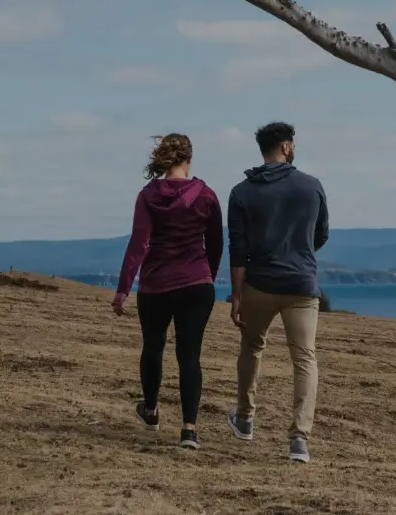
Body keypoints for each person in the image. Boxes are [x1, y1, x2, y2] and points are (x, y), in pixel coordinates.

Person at [224, 121, 328, 464]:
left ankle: (245, 418)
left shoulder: (241, 192)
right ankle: (299, 440)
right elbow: (321, 235)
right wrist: (299, 255)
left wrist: (236, 295)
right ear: (286, 147)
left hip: (259, 283)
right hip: (301, 286)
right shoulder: (312, 187)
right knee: (305, 359)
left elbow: (237, 250)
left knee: (252, 347)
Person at [112, 133, 223, 451]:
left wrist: (123, 289)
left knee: (153, 348)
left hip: (156, 285)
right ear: (189, 159)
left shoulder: (148, 194)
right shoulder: (206, 195)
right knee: (190, 357)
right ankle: (189, 430)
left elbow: (139, 244)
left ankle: (151, 411)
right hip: (196, 285)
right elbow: (215, 244)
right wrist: (207, 277)